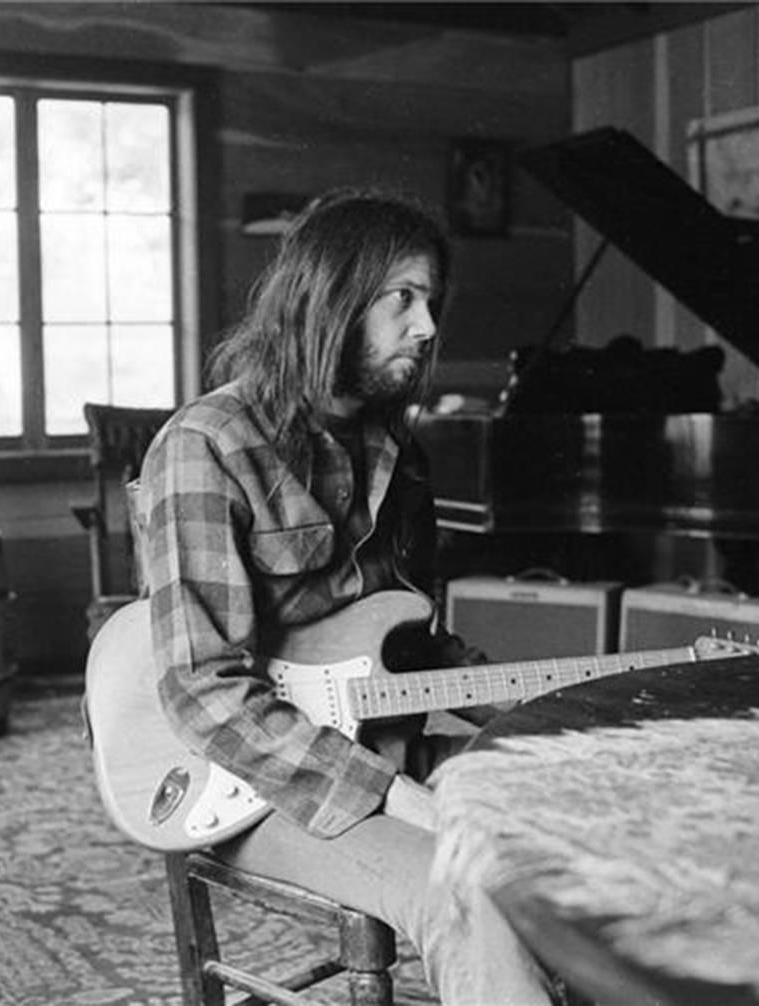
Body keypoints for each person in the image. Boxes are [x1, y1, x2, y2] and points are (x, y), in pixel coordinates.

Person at [135, 188, 554, 1004]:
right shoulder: (207, 446)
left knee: (571, 828)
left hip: (384, 747)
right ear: (331, 300)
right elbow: (203, 689)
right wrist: (395, 795)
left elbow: (416, 649)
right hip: (257, 785)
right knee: (460, 890)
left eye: (430, 301)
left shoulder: (401, 456)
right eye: (403, 298)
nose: (428, 327)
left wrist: (541, 707)